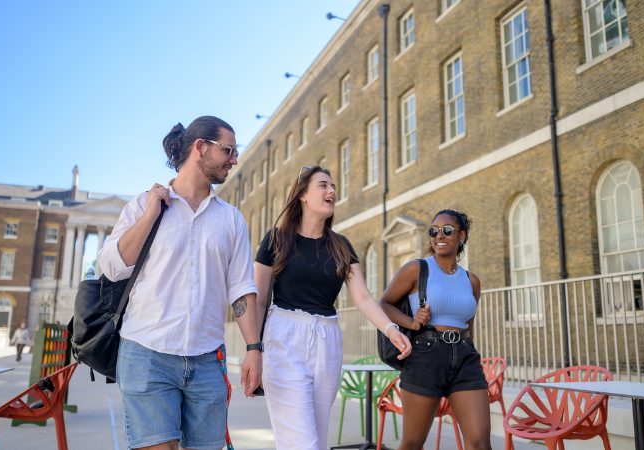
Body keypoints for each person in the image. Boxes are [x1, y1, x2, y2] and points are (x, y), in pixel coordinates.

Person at [99, 116, 262, 450]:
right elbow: (113, 268)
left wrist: (254, 348)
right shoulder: (144, 205)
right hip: (146, 354)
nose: (234, 160)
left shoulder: (231, 219)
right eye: (228, 150)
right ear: (200, 147)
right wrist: (150, 216)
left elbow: (242, 289)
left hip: (207, 360)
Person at [254, 166, 412, 450]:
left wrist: (391, 329)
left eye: (334, 187)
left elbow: (362, 297)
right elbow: (259, 300)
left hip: (327, 341)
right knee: (303, 443)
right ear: (302, 194)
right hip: (284, 337)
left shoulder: (341, 246)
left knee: (316, 436)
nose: (332, 192)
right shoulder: (275, 239)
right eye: (323, 185)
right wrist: (253, 349)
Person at [379, 209, 491, 450]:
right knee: (412, 443)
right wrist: (411, 322)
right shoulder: (417, 269)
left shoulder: (472, 281)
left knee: (480, 442)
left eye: (447, 230)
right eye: (434, 231)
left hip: (465, 358)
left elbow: (468, 324)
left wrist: (470, 352)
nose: (439, 235)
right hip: (425, 356)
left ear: (461, 236)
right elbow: (384, 303)